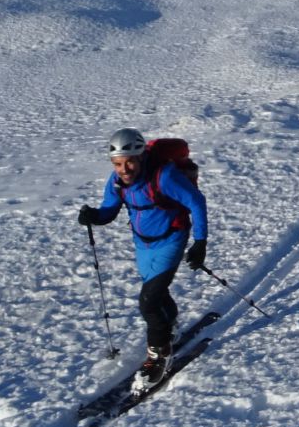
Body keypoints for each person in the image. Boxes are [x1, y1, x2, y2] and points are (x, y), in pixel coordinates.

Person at [77, 128, 208, 385]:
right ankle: (169, 328)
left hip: (172, 238)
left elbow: (196, 202)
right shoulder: (116, 181)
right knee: (156, 293)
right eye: (117, 164)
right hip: (143, 244)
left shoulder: (165, 176)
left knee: (149, 301)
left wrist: (200, 242)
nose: (124, 169)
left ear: (141, 157)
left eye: (130, 162)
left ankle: (160, 355)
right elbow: (109, 210)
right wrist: (93, 216)